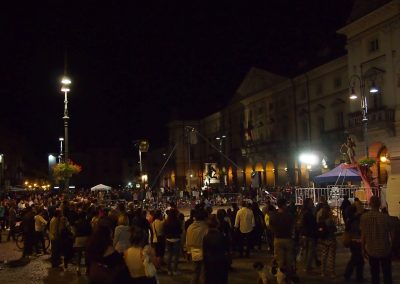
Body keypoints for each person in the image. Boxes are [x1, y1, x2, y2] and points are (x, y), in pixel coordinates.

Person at [360, 196, 393, 284]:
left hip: (372, 250)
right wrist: (393, 247)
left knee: (375, 274)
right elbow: (392, 235)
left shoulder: (364, 218)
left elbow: (363, 235)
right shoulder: (386, 217)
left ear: (370, 204)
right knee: (387, 274)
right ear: (379, 205)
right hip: (385, 249)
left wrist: (363, 249)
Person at [269, 198, 297, 284]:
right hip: (288, 239)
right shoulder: (289, 215)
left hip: (277, 239)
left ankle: (280, 279)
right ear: (284, 205)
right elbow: (293, 227)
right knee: (289, 260)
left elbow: (270, 227)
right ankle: (288, 278)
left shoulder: (273, 215)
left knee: (279, 260)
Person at [203, 214, 229, 284]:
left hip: (210, 263)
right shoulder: (221, 236)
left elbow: (204, 253)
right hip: (220, 262)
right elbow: (226, 250)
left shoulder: (206, 237)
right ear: (217, 225)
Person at [186, 207, 209, 284]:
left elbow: (187, 241)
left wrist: (188, 252)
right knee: (203, 275)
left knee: (195, 273)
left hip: (193, 253)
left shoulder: (190, 227)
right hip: (203, 253)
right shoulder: (206, 227)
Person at [344, 205, 364, 282]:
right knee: (357, 260)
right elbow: (359, 229)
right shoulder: (355, 220)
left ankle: (351, 275)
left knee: (356, 259)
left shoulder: (349, 219)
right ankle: (354, 276)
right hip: (357, 241)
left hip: (352, 241)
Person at [317, 205, 337, 279]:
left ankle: (322, 272)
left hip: (323, 240)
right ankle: (331, 272)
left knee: (324, 256)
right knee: (331, 257)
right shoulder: (330, 220)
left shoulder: (320, 219)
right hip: (331, 239)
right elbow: (335, 229)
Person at [163, 207, 182, 276]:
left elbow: (164, 231)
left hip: (168, 239)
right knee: (176, 256)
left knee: (169, 255)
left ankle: (169, 270)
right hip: (176, 239)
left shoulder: (166, 222)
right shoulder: (178, 221)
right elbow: (180, 231)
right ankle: (175, 270)